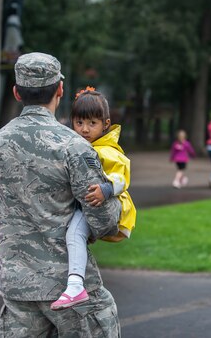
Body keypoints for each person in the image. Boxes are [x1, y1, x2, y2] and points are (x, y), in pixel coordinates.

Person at [0, 52, 122, 337]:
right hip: (71, 288)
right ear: (59, 89)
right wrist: (118, 196)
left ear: (17, 92)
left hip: (18, 288)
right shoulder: (75, 146)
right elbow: (104, 220)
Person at [51, 87, 136, 311]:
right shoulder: (82, 146)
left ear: (105, 123)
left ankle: (76, 285)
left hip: (114, 206)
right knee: (74, 234)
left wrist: (106, 190)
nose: (85, 129)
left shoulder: (107, 150)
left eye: (92, 123)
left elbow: (122, 178)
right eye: (79, 123)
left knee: (75, 233)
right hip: (89, 207)